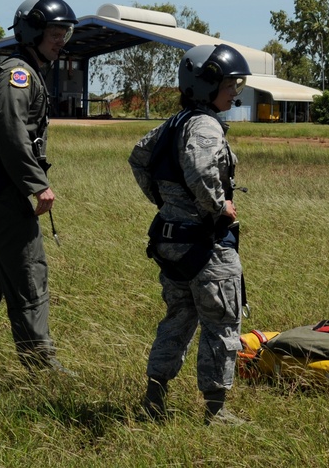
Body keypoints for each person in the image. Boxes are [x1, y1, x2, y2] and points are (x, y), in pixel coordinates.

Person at [129, 43, 252, 426]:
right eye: (231, 84)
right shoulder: (204, 126)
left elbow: (139, 157)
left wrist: (166, 202)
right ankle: (216, 412)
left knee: (178, 319)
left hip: (172, 244)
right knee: (222, 323)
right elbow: (200, 171)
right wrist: (219, 207)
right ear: (205, 84)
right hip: (206, 246)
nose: (236, 92)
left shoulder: (174, 122)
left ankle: (154, 400)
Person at [0, 0, 77, 376]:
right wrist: (37, 184)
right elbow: (11, 132)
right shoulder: (17, 75)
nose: (61, 40)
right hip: (3, 189)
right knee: (28, 273)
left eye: (65, 33)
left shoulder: (24, 71)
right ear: (32, 31)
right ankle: (41, 367)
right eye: (54, 32)